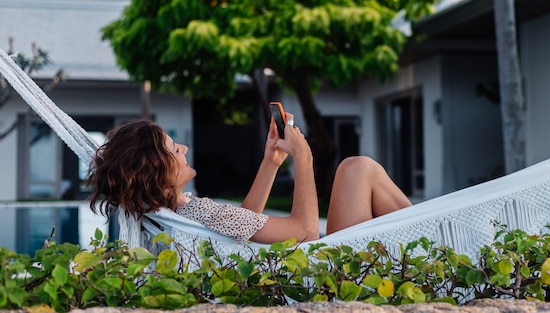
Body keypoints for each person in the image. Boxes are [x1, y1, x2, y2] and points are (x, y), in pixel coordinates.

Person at [87, 112, 412, 244]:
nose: (184, 148)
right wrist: (304, 158)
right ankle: (434, 241)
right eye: (174, 149)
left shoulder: (180, 214)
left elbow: (240, 224)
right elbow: (305, 231)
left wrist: (270, 163)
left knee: (356, 169)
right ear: (158, 169)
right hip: (324, 270)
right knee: (356, 168)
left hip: (318, 265)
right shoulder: (197, 213)